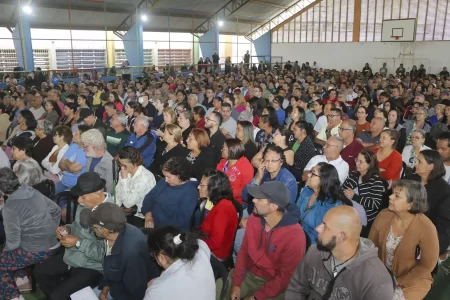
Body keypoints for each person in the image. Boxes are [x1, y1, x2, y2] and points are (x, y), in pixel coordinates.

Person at [285, 206, 395, 300]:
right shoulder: (315, 252)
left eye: (325, 226)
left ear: (341, 237)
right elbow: (296, 288)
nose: (317, 228)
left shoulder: (376, 280)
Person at [34, 172, 113, 300]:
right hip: (73, 256)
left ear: (98, 193)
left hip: (93, 267)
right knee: (40, 272)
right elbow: (76, 225)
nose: (79, 200)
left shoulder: (111, 215)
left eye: (83, 197)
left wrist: (78, 242)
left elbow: (104, 254)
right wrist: (68, 229)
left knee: (58, 295)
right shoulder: (85, 205)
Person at [227, 181, 306, 300]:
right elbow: (243, 252)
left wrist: (255, 298)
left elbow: (284, 278)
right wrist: (237, 284)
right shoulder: (254, 218)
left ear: (273, 207)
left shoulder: (295, 236)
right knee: (222, 290)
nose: (253, 200)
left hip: (274, 285)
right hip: (249, 274)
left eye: (259, 199)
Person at [369, 180, 439, 300]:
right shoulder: (384, 215)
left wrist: (398, 281)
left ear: (410, 204)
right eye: (392, 193)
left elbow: (426, 265)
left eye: (397, 196)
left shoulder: (426, 228)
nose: (390, 197)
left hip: (412, 280)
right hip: (381, 274)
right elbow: (370, 247)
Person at [0, 168, 60, 300]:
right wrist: (52, 228)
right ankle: (22, 279)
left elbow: (13, 243)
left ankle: (14, 297)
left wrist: (4, 254)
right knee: (16, 249)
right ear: (16, 178)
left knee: (2, 262)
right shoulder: (32, 190)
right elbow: (56, 210)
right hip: (55, 241)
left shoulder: (10, 207)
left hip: (37, 250)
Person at [78, 202, 159, 300]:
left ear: (104, 231)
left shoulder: (131, 254)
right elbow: (112, 269)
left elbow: (136, 292)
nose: (93, 230)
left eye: (93, 227)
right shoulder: (115, 233)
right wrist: (104, 292)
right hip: (116, 283)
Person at [144, 226, 215, 300]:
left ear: (161, 258)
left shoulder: (155, 291)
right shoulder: (200, 247)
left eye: (153, 255)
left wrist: (152, 287)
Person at [405, 150, 450, 257]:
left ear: (431, 166)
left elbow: (443, 223)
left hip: (424, 236)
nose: (415, 164)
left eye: (419, 162)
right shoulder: (409, 179)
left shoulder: (444, 190)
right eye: (416, 160)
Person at [297, 162, 352, 244]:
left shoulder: (331, 205)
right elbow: (295, 213)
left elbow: (323, 236)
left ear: (323, 180)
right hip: (298, 236)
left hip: (314, 244)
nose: (308, 175)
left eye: (312, 173)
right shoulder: (307, 191)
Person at [142, 157, 199, 232]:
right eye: (165, 176)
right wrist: (148, 215)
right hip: (152, 222)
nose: (165, 179)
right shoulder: (164, 182)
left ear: (179, 176)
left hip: (170, 231)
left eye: (168, 177)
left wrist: (157, 229)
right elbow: (149, 198)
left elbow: (180, 220)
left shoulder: (190, 193)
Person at [198, 169, 240, 261]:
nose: (198, 187)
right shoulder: (211, 202)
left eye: (202, 185)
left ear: (214, 188)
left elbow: (215, 243)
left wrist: (195, 242)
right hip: (205, 242)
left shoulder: (223, 208)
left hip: (215, 254)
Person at [342, 150, 385, 237]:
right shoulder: (354, 174)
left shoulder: (376, 181)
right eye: (357, 160)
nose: (357, 163)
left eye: (361, 162)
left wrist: (354, 197)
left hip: (363, 219)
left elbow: (375, 204)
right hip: (347, 213)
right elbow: (342, 189)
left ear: (370, 165)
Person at [116, 146, 156, 228]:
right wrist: (114, 207)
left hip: (139, 215)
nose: (121, 167)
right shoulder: (124, 170)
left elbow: (128, 203)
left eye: (124, 165)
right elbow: (118, 192)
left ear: (134, 163)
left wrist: (124, 180)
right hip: (125, 210)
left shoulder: (144, 178)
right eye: (119, 164)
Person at [216, 139, 254, 204]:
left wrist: (225, 193)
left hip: (238, 203)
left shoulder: (246, 167)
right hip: (220, 198)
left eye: (224, 148)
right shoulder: (222, 163)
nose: (221, 150)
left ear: (231, 150)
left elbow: (244, 190)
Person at [55, 125, 90, 194]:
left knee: (61, 202)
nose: (73, 134)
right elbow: (60, 164)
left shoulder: (85, 152)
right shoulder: (74, 146)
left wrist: (66, 161)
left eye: (76, 133)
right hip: (63, 181)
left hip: (75, 186)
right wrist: (71, 168)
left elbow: (73, 168)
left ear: (83, 138)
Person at [81, 129, 114, 195]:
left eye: (86, 146)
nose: (83, 149)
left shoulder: (109, 163)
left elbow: (109, 190)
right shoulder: (90, 157)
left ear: (94, 146)